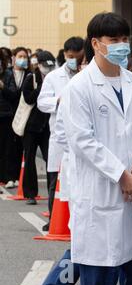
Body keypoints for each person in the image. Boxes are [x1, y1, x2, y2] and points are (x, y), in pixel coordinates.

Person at [61, 12, 132, 285]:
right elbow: (82, 141)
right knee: (99, 283)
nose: (122, 45)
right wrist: (121, 175)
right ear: (96, 43)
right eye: (113, 40)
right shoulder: (79, 88)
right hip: (101, 200)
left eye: (125, 39)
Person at [37, 36, 84, 231]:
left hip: (82, 137)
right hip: (59, 138)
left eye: (78, 57)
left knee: (79, 180)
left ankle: (77, 220)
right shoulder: (54, 77)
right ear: (65, 54)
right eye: (71, 57)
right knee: (54, 180)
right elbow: (41, 102)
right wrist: (59, 101)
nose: (75, 61)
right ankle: (54, 217)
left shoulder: (87, 74)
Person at [21, 51, 55, 205]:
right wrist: (42, 87)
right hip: (31, 126)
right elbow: (28, 99)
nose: (48, 69)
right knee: (29, 159)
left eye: (50, 65)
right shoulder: (31, 78)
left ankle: (51, 192)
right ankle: (30, 193)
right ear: (39, 64)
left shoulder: (55, 78)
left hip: (47, 126)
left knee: (50, 159)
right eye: (45, 65)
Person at [3, 47, 30, 189]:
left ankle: (19, 176)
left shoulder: (29, 74)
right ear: (13, 58)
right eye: (20, 56)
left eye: (25, 57)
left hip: (24, 115)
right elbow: (9, 95)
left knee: (20, 147)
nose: (23, 59)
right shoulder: (7, 74)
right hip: (8, 115)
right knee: (9, 147)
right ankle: (9, 177)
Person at [0, 50, 16, 186]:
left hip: (5, 115)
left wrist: (2, 86)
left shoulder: (8, 75)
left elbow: (13, 95)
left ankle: (7, 176)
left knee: (6, 147)